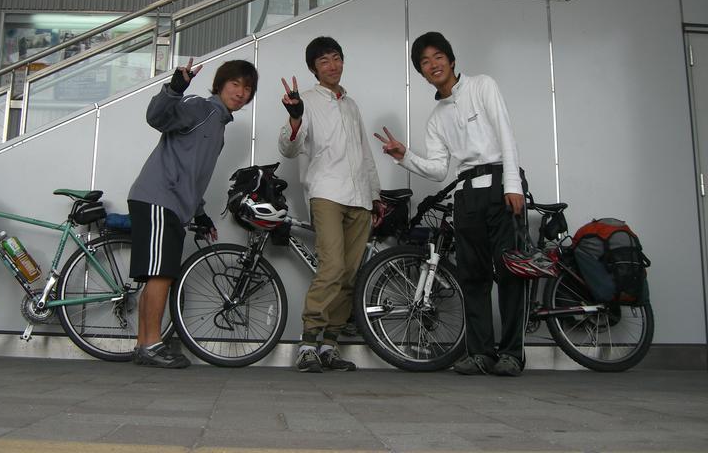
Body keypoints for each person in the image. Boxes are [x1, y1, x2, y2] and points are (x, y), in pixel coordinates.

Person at [375, 31, 527, 377]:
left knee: (510, 272)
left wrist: (513, 184)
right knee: (473, 276)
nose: (433, 65)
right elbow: (438, 169)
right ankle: (481, 353)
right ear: (422, 73)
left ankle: (512, 354)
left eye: (438, 57)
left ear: (452, 60)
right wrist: (405, 156)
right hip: (466, 194)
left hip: (501, 186)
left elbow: (506, 133)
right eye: (425, 62)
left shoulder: (483, 86)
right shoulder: (436, 118)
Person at [128, 57, 258, 368]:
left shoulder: (218, 125)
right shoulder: (201, 108)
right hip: (159, 197)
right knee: (161, 274)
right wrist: (175, 88)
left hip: (169, 202)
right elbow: (157, 117)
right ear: (221, 85)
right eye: (235, 84)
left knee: (156, 275)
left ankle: (144, 345)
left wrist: (199, 213)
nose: (240, 93)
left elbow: (194, 175)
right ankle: (151, 345)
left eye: (247, 88)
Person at [278, 36, 383, 373]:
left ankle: (330, 345)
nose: (332, 65)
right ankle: (308, 343)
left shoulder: (351, 105)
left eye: (336, 58)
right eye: (324, 61)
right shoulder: (306, 101)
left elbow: (365, 153)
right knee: (332, 267)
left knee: (349, 275)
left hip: (360, 198)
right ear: (314, 68)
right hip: (326, 193)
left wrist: (375, 194)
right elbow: (288, 149)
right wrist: (295, 118)